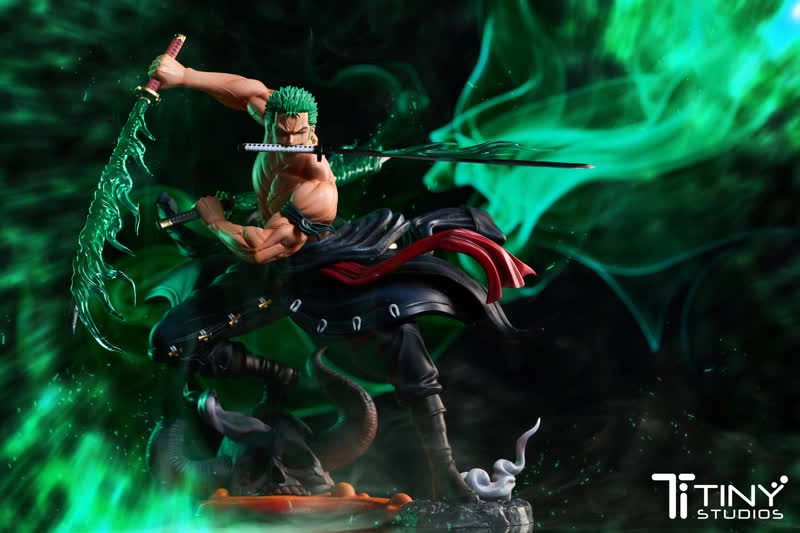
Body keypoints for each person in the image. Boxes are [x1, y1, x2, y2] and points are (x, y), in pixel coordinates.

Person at [146, 55, 535, 503]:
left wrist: (215, 220)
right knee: (169, 341)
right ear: (269, 122)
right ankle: (271, 376)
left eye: (298, 136)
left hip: (313, 269)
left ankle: (446, 475)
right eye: (280, 133)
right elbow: (244, 88)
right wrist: (184, 76)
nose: (288, 142)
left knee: (400, 339)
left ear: (312, 134)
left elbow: (258, 248)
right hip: (272, 265)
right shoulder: (275, 116)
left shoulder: (316, 191)